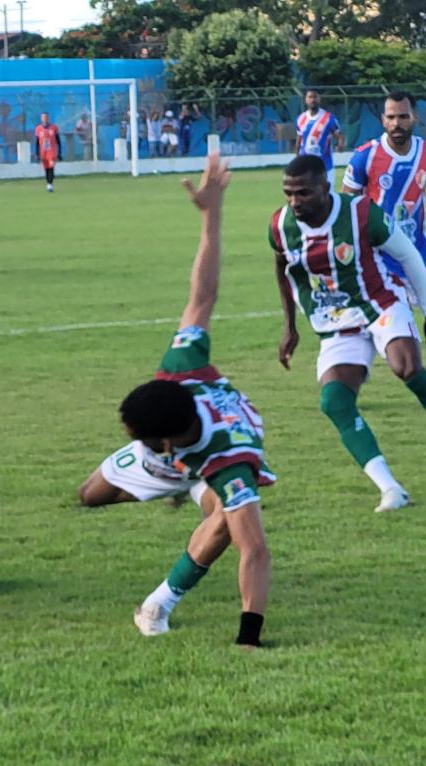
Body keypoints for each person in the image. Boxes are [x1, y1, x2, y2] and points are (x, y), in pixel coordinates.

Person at [271, 153, 426, 513]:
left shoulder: (360, 213)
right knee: (334, 402)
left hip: (380, 304)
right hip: (336, 320)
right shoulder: (281, 225)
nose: (294, 202)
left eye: (302, 193)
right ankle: (390, 488)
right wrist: (290, 326)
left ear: (324, 188)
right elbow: (283, 265)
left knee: (406, 366)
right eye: (288, 193)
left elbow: (408, 255)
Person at [117, 152, 274, 648]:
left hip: (196, 467)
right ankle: (119, 488)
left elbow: (257, 552)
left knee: (230, 524)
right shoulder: (184, 367)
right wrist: (212, 215)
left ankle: (157, 604)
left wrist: (248, 639)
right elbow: (202, 295)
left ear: (164, 442)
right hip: (164, 458)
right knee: (88, 495)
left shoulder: (229, 464)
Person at [343, 91, 426, 405]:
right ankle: (346, 385)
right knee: (372, 327)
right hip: (378, 258)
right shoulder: (365, 156)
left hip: (418, 252)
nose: (397, 123)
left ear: (414, 118)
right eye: (391, 117)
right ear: (383, 120)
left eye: (403, 116)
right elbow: (347, 204)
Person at [294, 89, 341, 189]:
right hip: (306, 167)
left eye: (315, 97)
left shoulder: (329, 118)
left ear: (319, 99)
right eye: (310, 97)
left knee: (328, 195)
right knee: (307, 195)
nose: (312, 100)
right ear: (305, 100)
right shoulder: (300, 119)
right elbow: (299, 141)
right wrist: (297, 159)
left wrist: (340, 145)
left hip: (325, 166)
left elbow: (339, 136)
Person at [34, 111, 61, 192]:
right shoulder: (38, 129)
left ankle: (50, 184)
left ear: (48, 118)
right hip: (43, 153)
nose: (45, 119)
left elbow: (58, 141)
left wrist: (59, 152)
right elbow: (37, 142)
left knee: (51, 168)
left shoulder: (54, 128)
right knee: (46, 169)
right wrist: (37, 153)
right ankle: (48, 183)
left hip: (51, 152)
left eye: (46, 117)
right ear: (41, 118)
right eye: (43, 117)